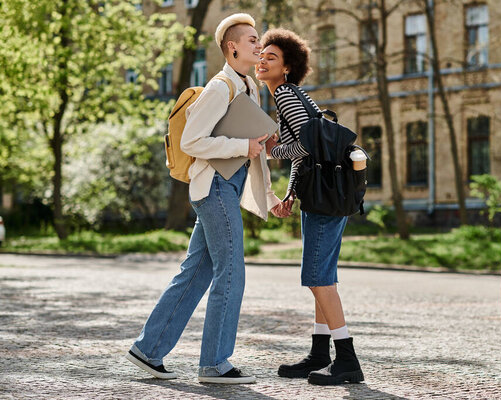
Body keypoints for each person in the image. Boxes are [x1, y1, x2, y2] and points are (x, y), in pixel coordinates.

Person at [126, 13, 290, 384]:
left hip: (225, 187)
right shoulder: (220, 87)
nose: (258, 45)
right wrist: (243, 144)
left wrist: (269, 195)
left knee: (195, 274)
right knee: (231, 270)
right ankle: (215, 363)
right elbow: (192, 142)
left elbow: (255, 154)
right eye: (251, 40)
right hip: (213, 185)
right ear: (232, 47)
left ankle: (148, 350)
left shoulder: (249, 87)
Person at [256, 28, 364, 386]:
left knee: (319, 279)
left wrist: (271, 151)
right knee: (323, 277)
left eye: (271, 57)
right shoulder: (293, 94)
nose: (263, 60)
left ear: (286, 67)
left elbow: (303, 146)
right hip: (330, 194)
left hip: (323, 199)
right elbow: (309, 149)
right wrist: (289, 193)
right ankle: (320, 354)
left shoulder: (285, 94)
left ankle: (346, 359)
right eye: (262, 55)